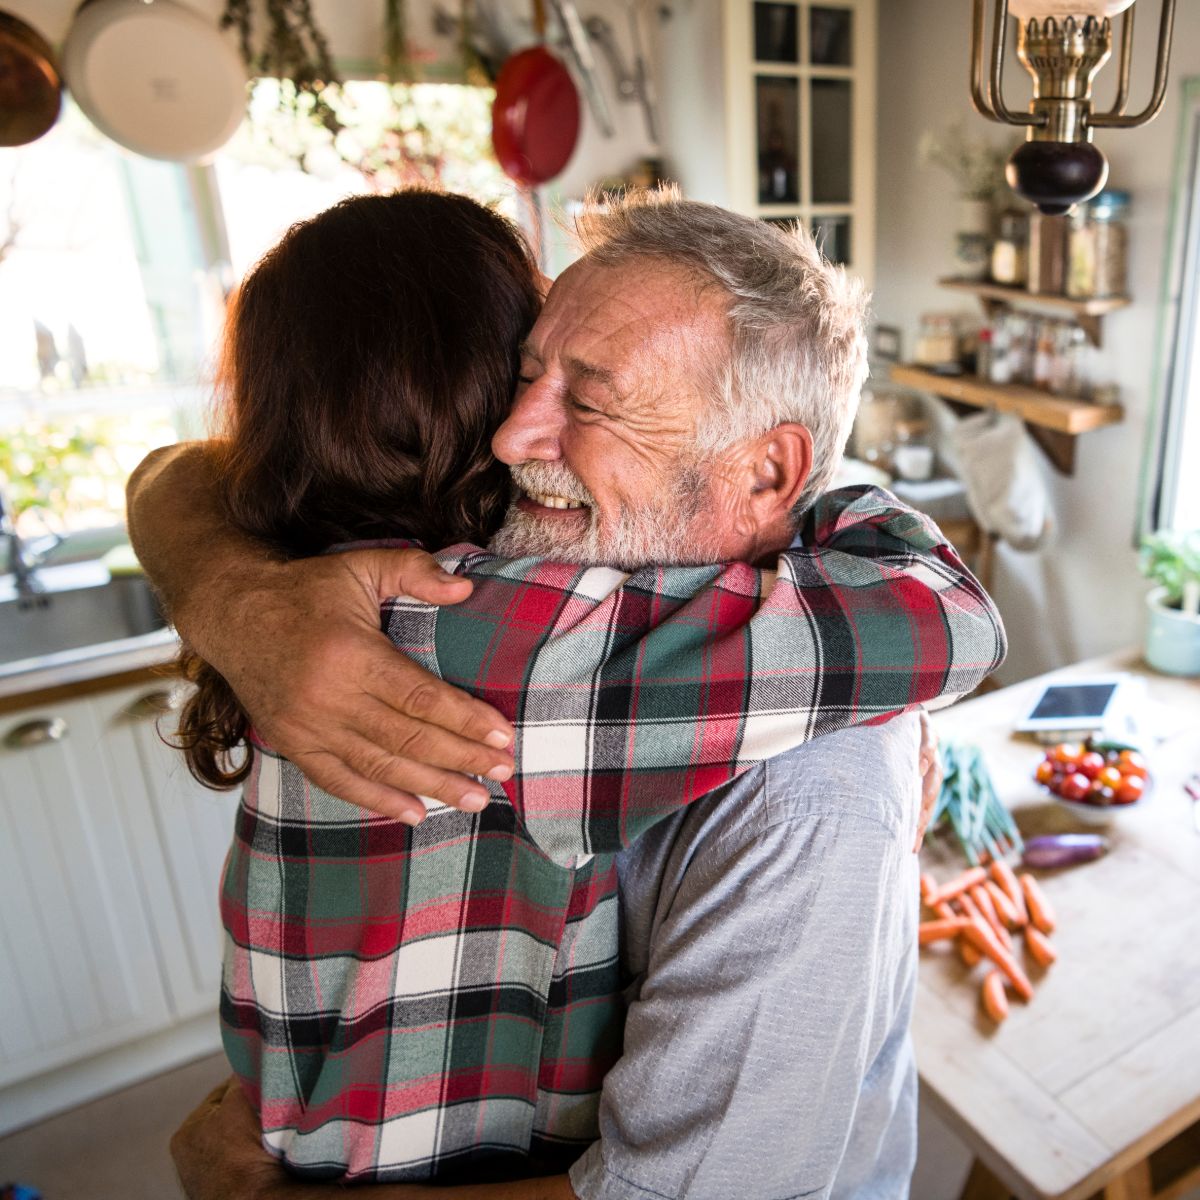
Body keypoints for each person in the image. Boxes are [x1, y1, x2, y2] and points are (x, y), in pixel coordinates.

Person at [136, 188, 1004, 1195]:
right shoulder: (492, 614)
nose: (509, 437)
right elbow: (946, 610)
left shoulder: (804, 789)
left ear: (769, 469)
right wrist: (236, 593)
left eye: (586, 400)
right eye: (523, 375)